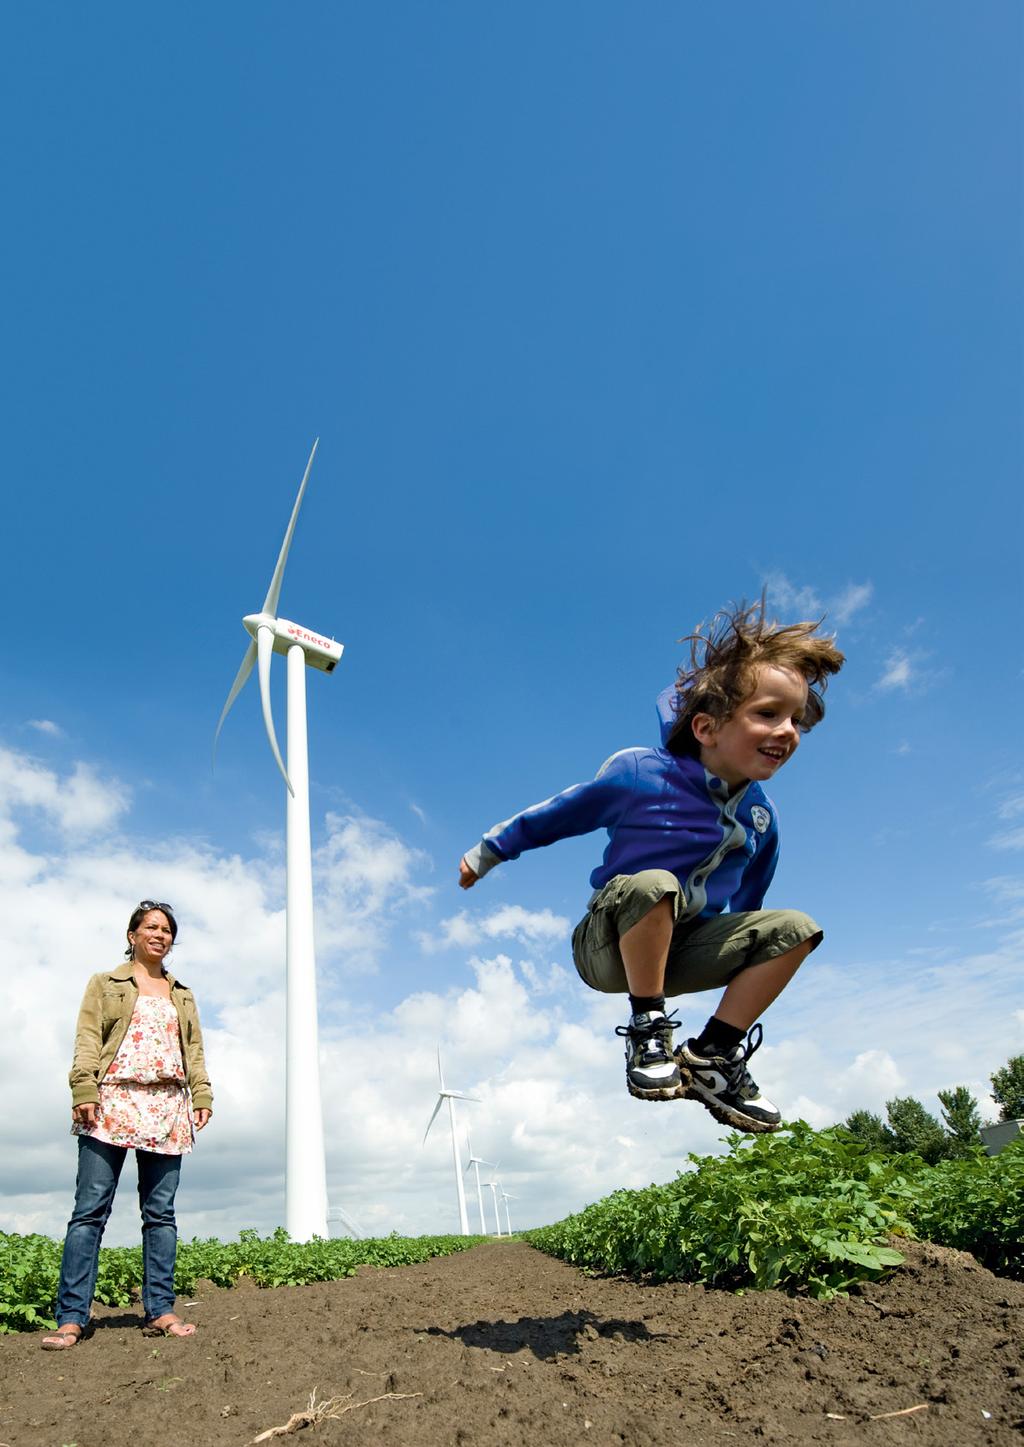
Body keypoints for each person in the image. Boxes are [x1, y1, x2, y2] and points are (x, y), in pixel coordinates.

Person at [459, 600, 844, 1134]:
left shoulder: (760, 815)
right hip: (609, 945)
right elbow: (562, 812)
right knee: (656, 885)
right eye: (767, 713)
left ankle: (713, 1058)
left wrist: (741, 959)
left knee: (797, 928)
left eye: (796, 720)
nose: (788, 731)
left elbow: (750, 903)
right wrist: (489, 851)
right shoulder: (641, 772)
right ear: (707, 728)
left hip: (681, 953)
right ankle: (647, 1028)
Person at [41, 901, 213, 1350]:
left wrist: (203, 1094)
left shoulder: (183, 994)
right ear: (133, 935)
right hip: (113, 1100)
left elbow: (193, 1050)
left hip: (167, 1104)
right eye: (151, 927)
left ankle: (160, 1309)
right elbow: (87, 1038)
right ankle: (72, 1317)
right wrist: (84, 1090)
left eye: (167, 929)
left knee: (161, 1216)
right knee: (90, 1211)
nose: (160, 934)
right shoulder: (105, 984)